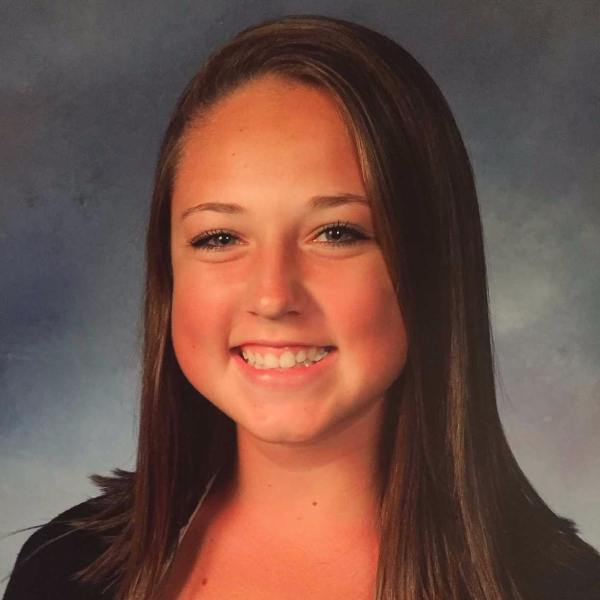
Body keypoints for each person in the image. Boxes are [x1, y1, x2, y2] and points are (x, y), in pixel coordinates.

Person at [3, 14, 600, 600]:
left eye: (336, 233)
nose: (272, 296)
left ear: (432, 264)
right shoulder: (65, 569)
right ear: (169, 273)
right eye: (220, 237)